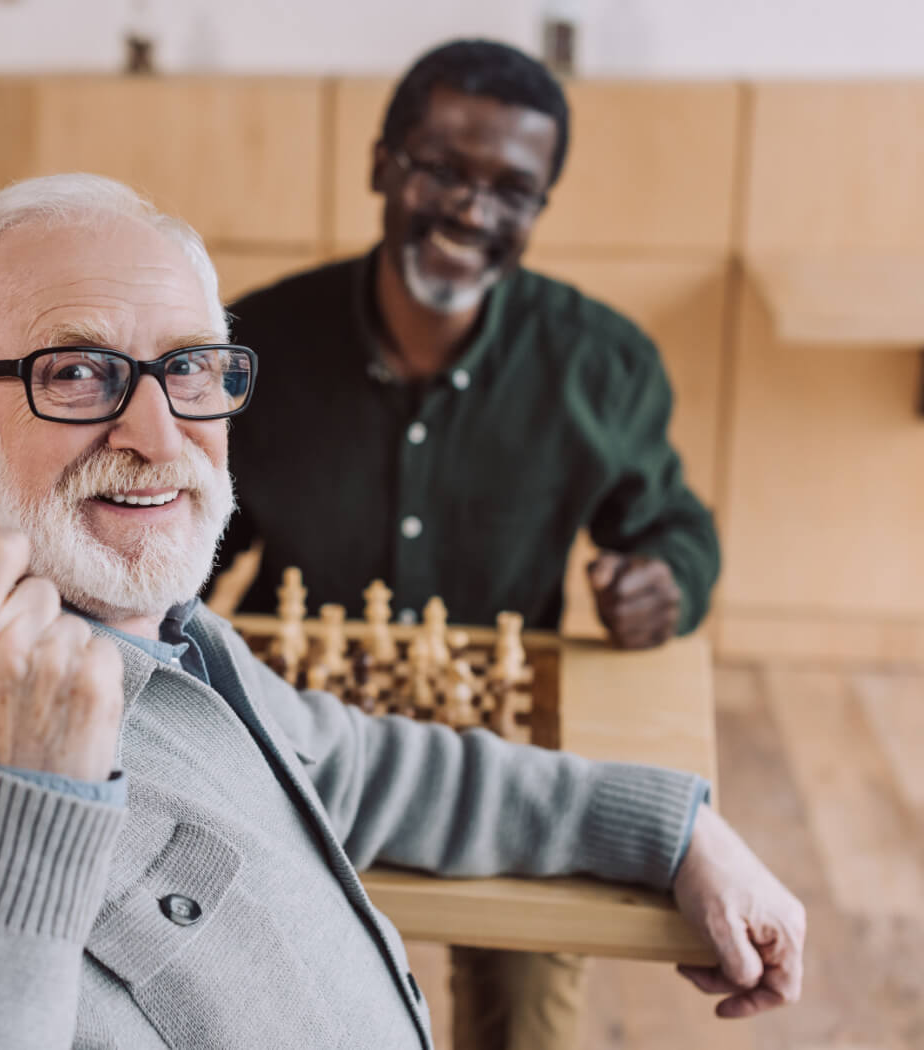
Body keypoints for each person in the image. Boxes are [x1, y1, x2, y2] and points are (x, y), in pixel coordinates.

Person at [0, 173, 802, 1049]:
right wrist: (12, 806)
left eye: (190, 370)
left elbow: (343, 764)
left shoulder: (132, 615)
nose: (160, 437)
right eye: (76, 373)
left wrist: (668, 831)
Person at [213, 40, 723, 1049]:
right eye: (440, 168)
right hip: (292, 741)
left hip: (503, 751)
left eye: (512, 191)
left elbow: (671, 524)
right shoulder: (252, 346)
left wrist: (665, 579)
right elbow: (185, 539)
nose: (470, 211)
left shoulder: (600, 364)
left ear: (541, 207)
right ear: (380, 165)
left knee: (528, 1016)